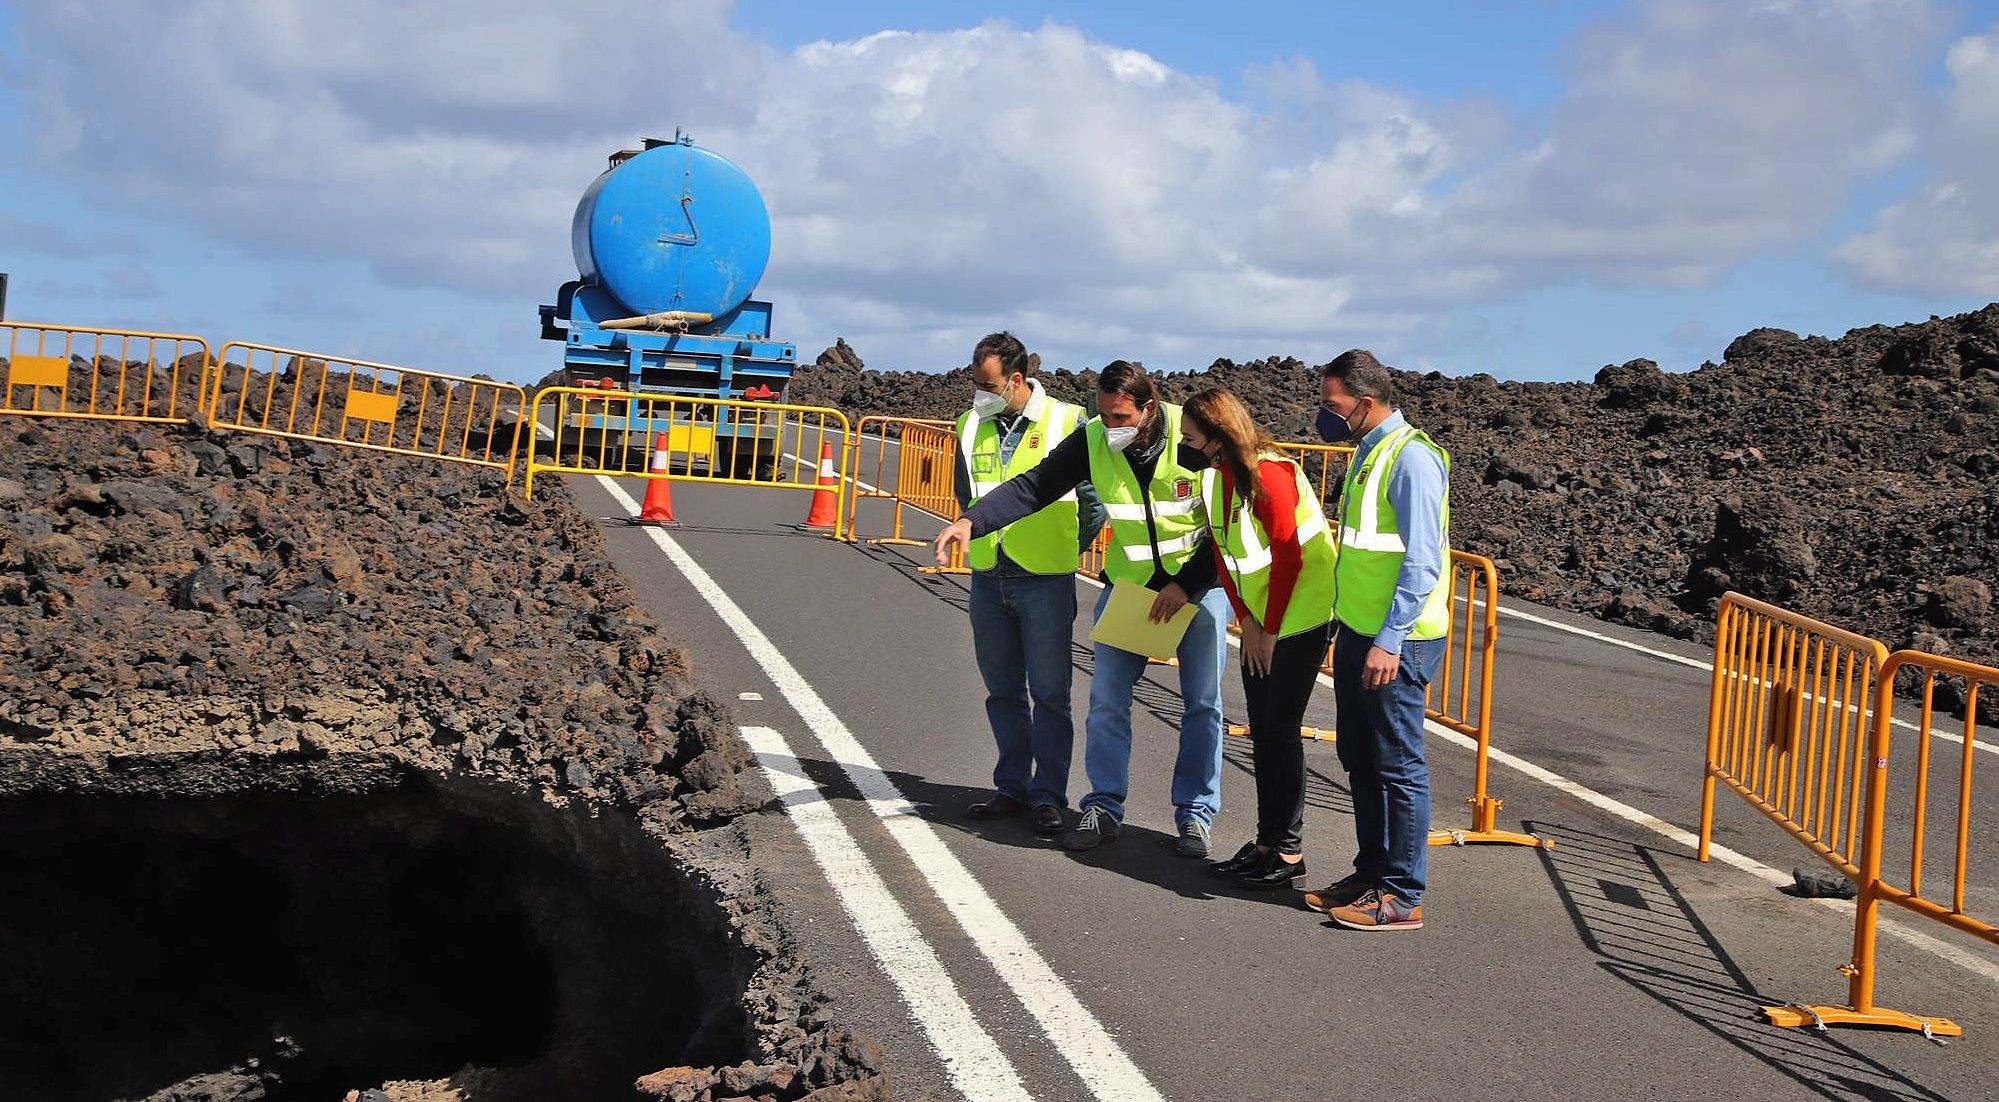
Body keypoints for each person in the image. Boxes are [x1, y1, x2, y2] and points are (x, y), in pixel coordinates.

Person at [935, 361, 1229, 858]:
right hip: (1132, 589)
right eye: (1105, 414)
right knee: (1107, 702)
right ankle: (1103, 807)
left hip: (1196, 592)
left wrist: (1189, 582)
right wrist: (972, 521)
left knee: (1202, 705)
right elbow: (1034, 486)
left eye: (1121, 417)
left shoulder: (1193, 433)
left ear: (1148, 408)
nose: (1111, 426)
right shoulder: (1094, 438)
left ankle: (1195, 815)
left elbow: (1228, 517)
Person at [1300, 349, 1451, 932]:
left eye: (1330, 404)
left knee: (1397, 765)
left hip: (1398, 641)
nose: (1323, 414)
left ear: (1364, 402)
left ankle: (1402, 895)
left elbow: (1421, 561)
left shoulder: (1411, 459)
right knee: (1359, 758)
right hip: (1361, 632)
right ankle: (1371, 874)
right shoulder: (1368, 451)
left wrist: (1390, 638)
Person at [1177, 389, 1338, 890]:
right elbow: (1226, 557)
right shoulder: (1217, 478)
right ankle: (1269, 843)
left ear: (1219, 437)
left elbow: (1289, 556)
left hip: (1300, 619)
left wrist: (1267, 627)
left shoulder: (1272, 474)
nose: (1185, 447)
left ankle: (1287, 852)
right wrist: (1247, 620)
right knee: (1264, 732)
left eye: (1191, 438)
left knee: (1280, 730)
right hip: (1261, 622)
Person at [951, 332, 1101, 835]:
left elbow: (1092, 503)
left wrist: (1064, 548)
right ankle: (1011, 786)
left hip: (1044, 577)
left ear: (1016, 380)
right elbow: (966, 496)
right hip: (989, 573)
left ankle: (1048, 795)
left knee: (1051, 693)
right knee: (1002, 690)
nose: (979, 392)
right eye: (975, 382)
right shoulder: (970, 425)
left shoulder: (1066, 421)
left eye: (987, 383)